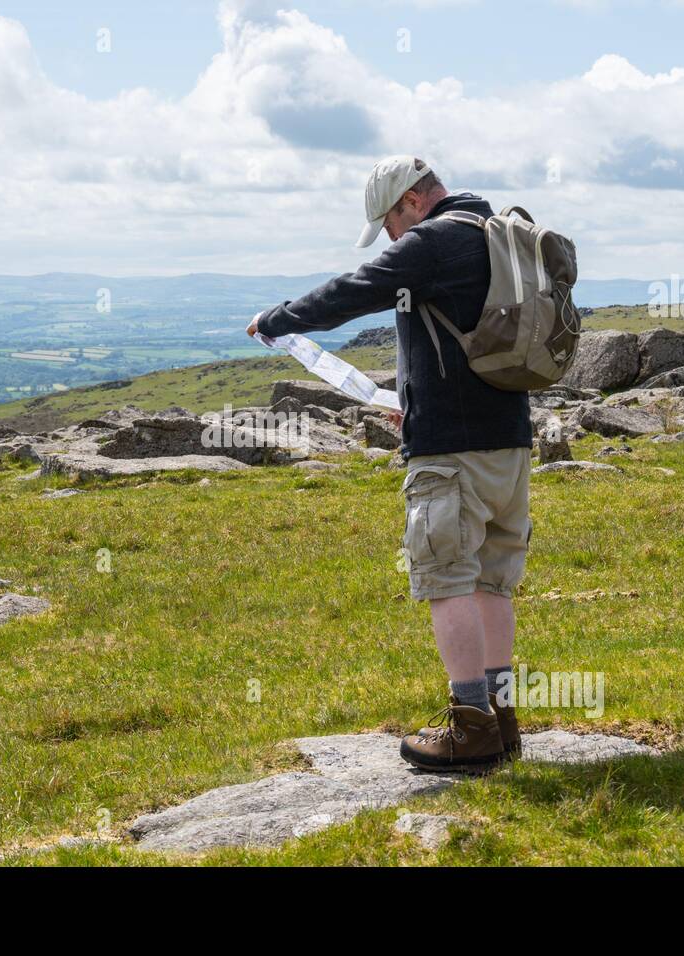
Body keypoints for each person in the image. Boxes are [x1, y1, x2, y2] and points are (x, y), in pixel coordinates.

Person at [246, 155, 532, 772]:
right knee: (492, 580)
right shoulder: (495, 229)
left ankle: (470, 726)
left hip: (452, 449)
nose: (393, 239)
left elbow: (352, 291)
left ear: (410, 202)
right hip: (509, 439)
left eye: (390, 226)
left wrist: (276, 320)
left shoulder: (434, 240)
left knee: (446, 577)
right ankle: (502, 719)